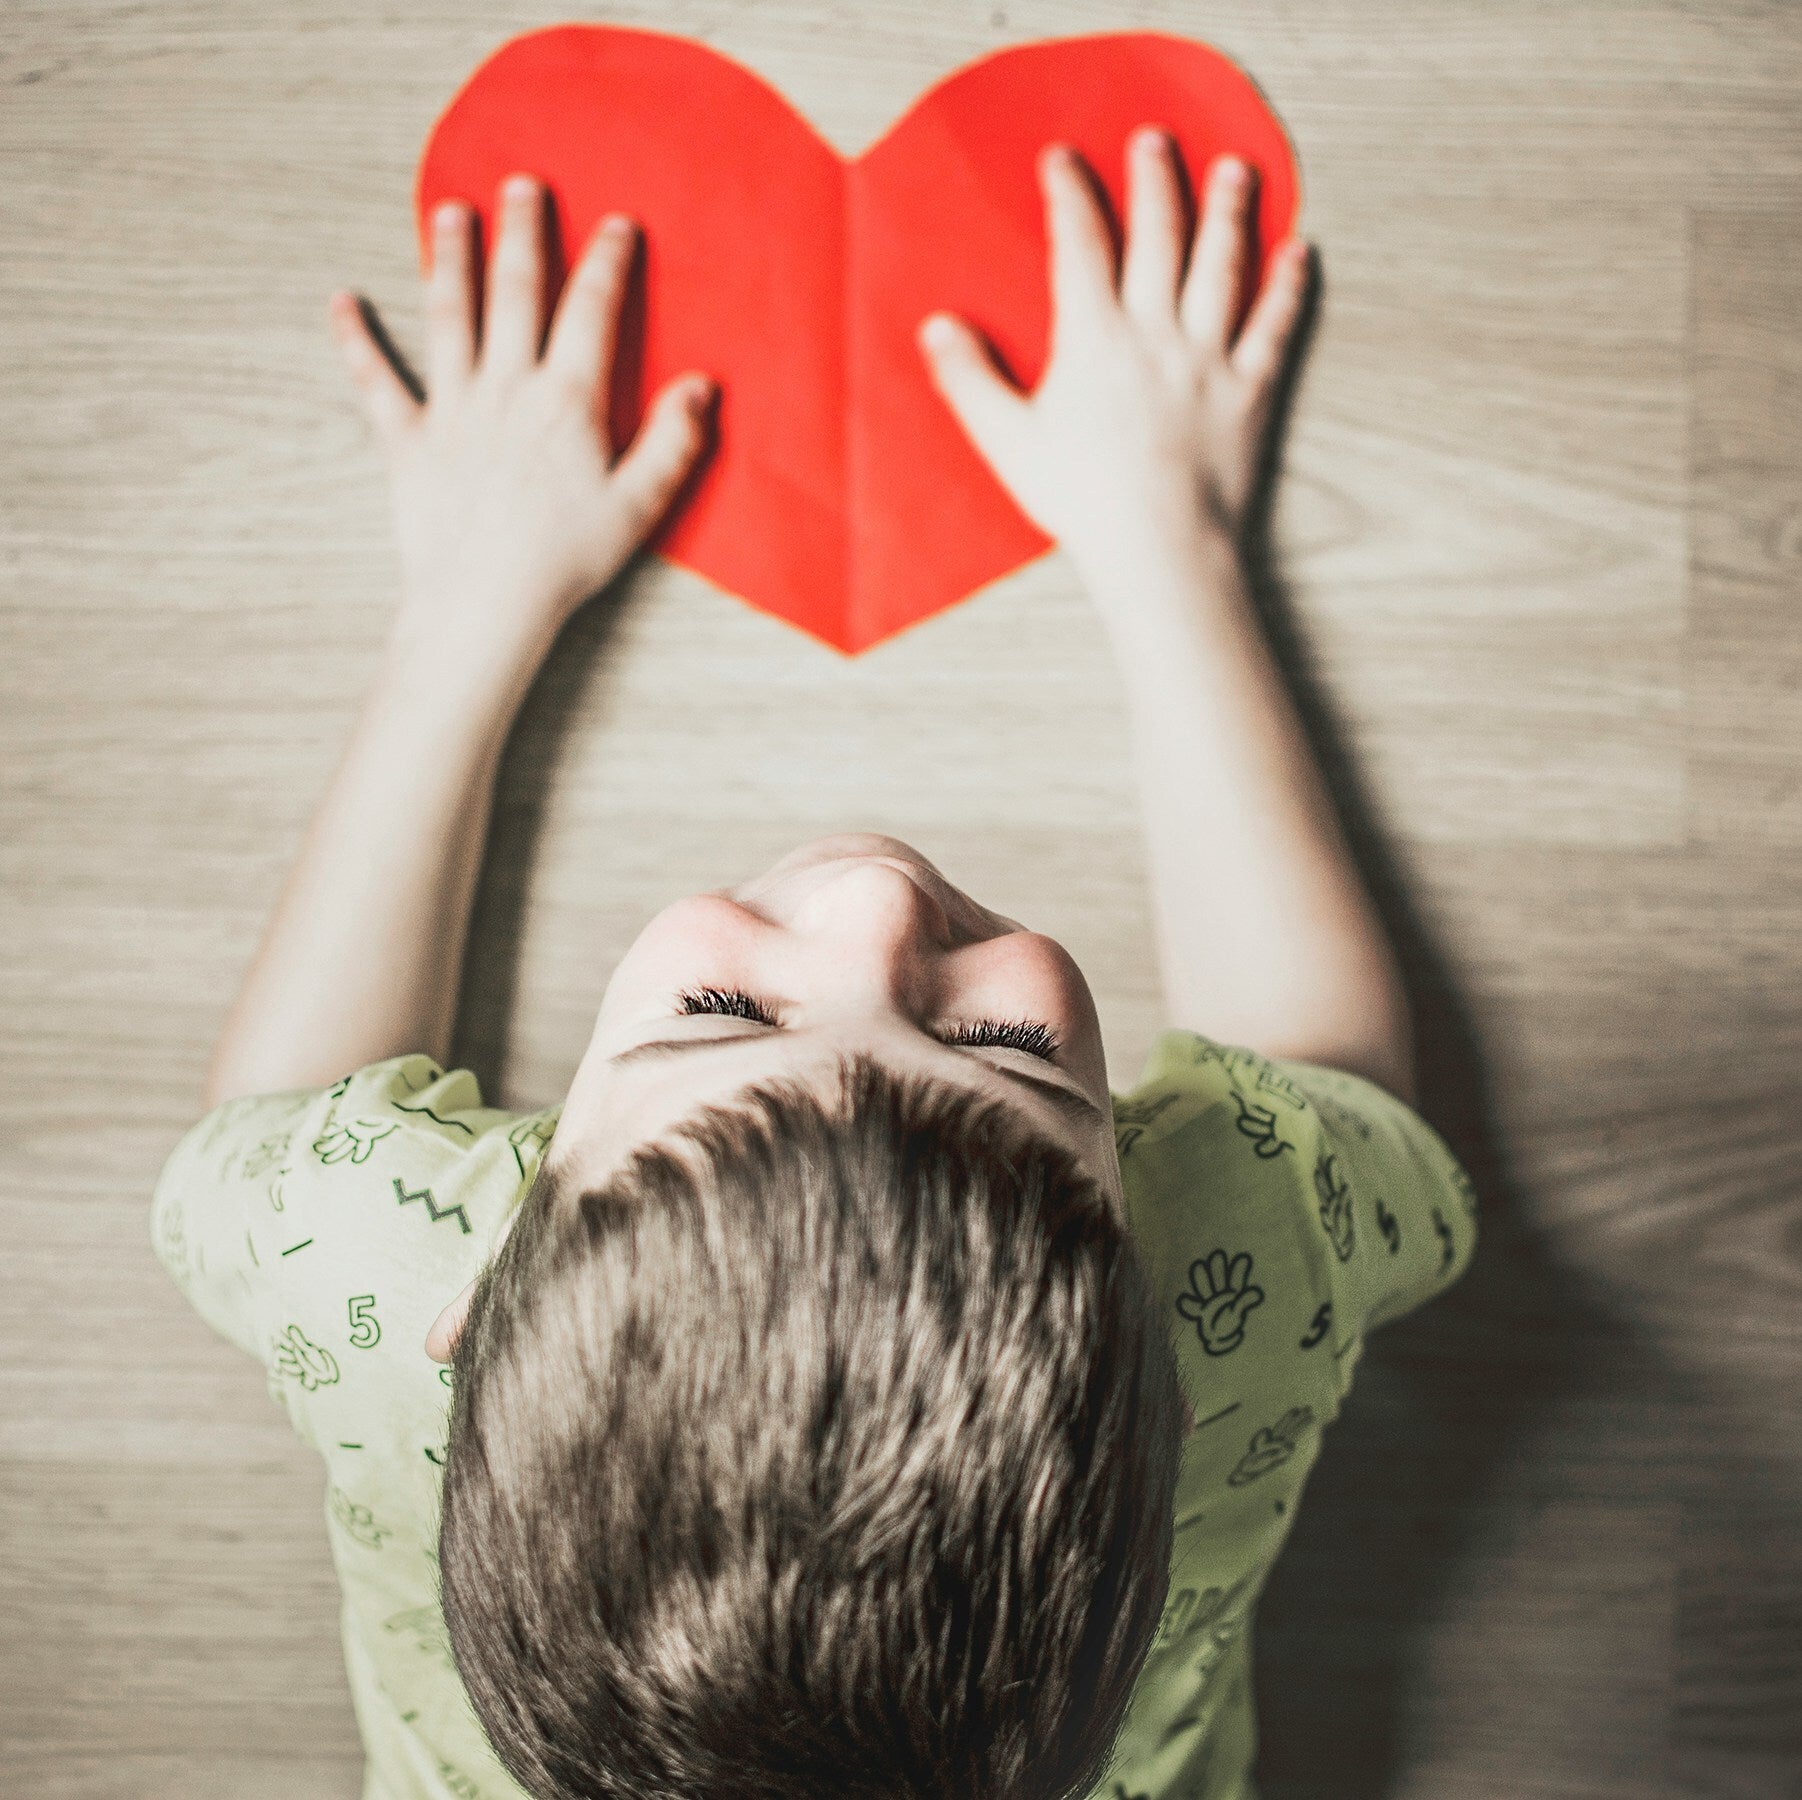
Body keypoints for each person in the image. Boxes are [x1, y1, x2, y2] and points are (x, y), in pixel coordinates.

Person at [150, 130, 1478, 1800]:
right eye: (1004, 1056)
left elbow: (265, 1130)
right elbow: (1340, 1093)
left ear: (471, 1300)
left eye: (720, 1018)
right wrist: (1170, 543)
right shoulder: (1232, 1279)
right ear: (1156, 1286)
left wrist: (465, 609)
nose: (871, 901)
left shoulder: (368, 1266)